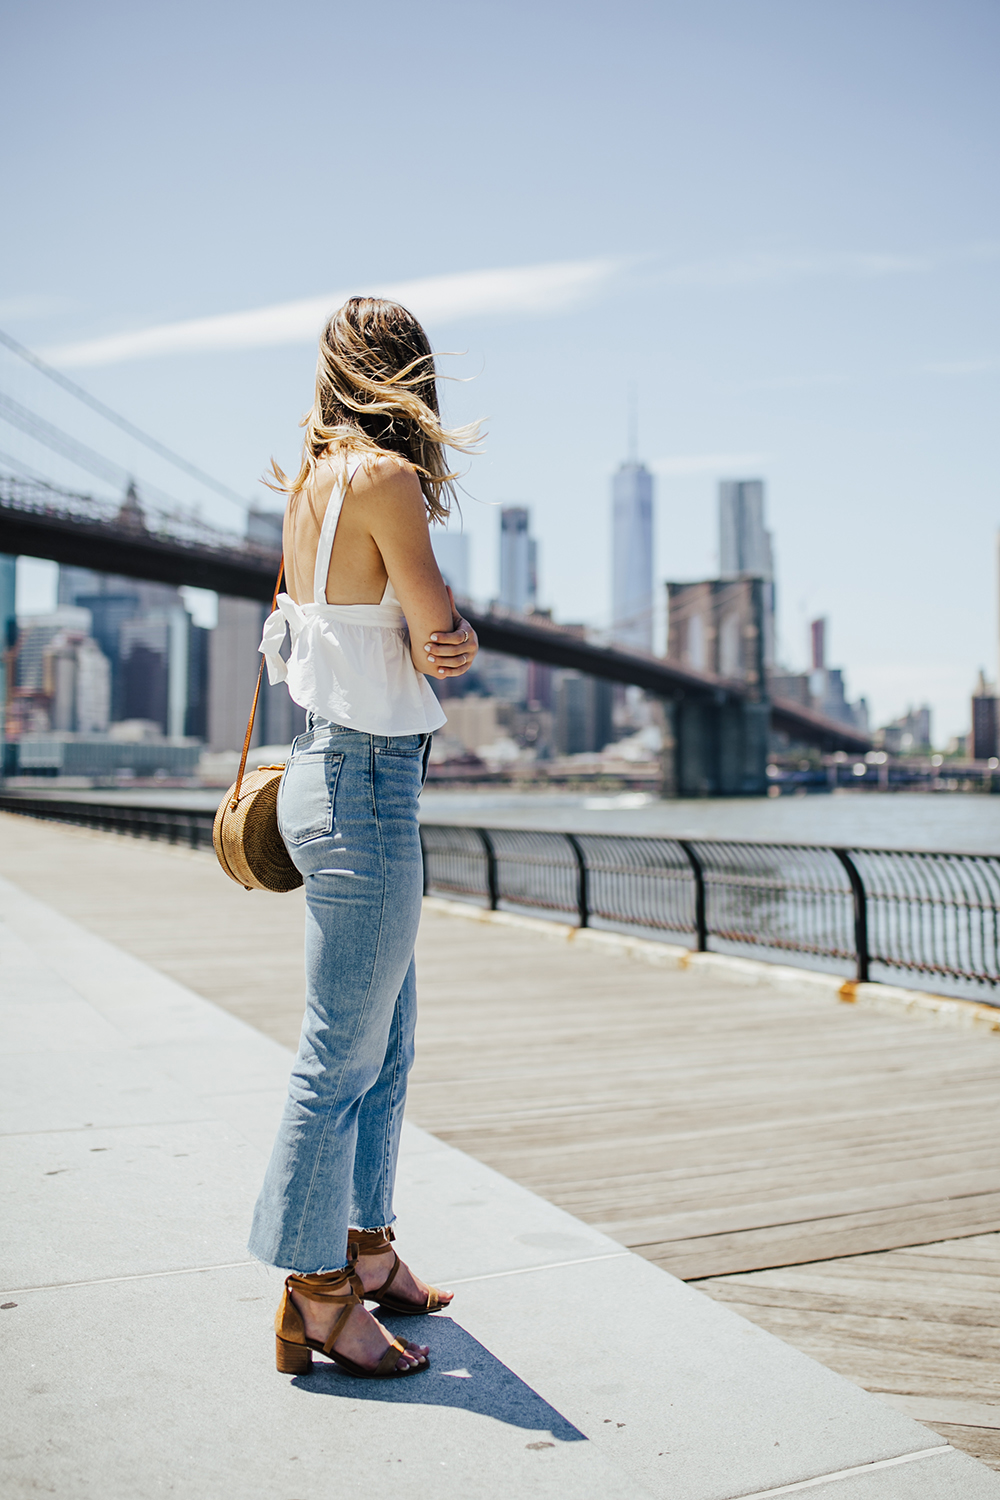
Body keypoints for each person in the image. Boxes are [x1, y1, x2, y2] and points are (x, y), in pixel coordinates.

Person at [248, 297, 481, 1379]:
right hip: (367, 788)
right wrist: (458, 635)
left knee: (384, 1045)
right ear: (407, 375)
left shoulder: (306, 489)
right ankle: (316, 1293)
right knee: (339, 1056)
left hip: (322, 772)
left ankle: (368, 1249)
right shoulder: (381, 482)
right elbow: (435, 634)